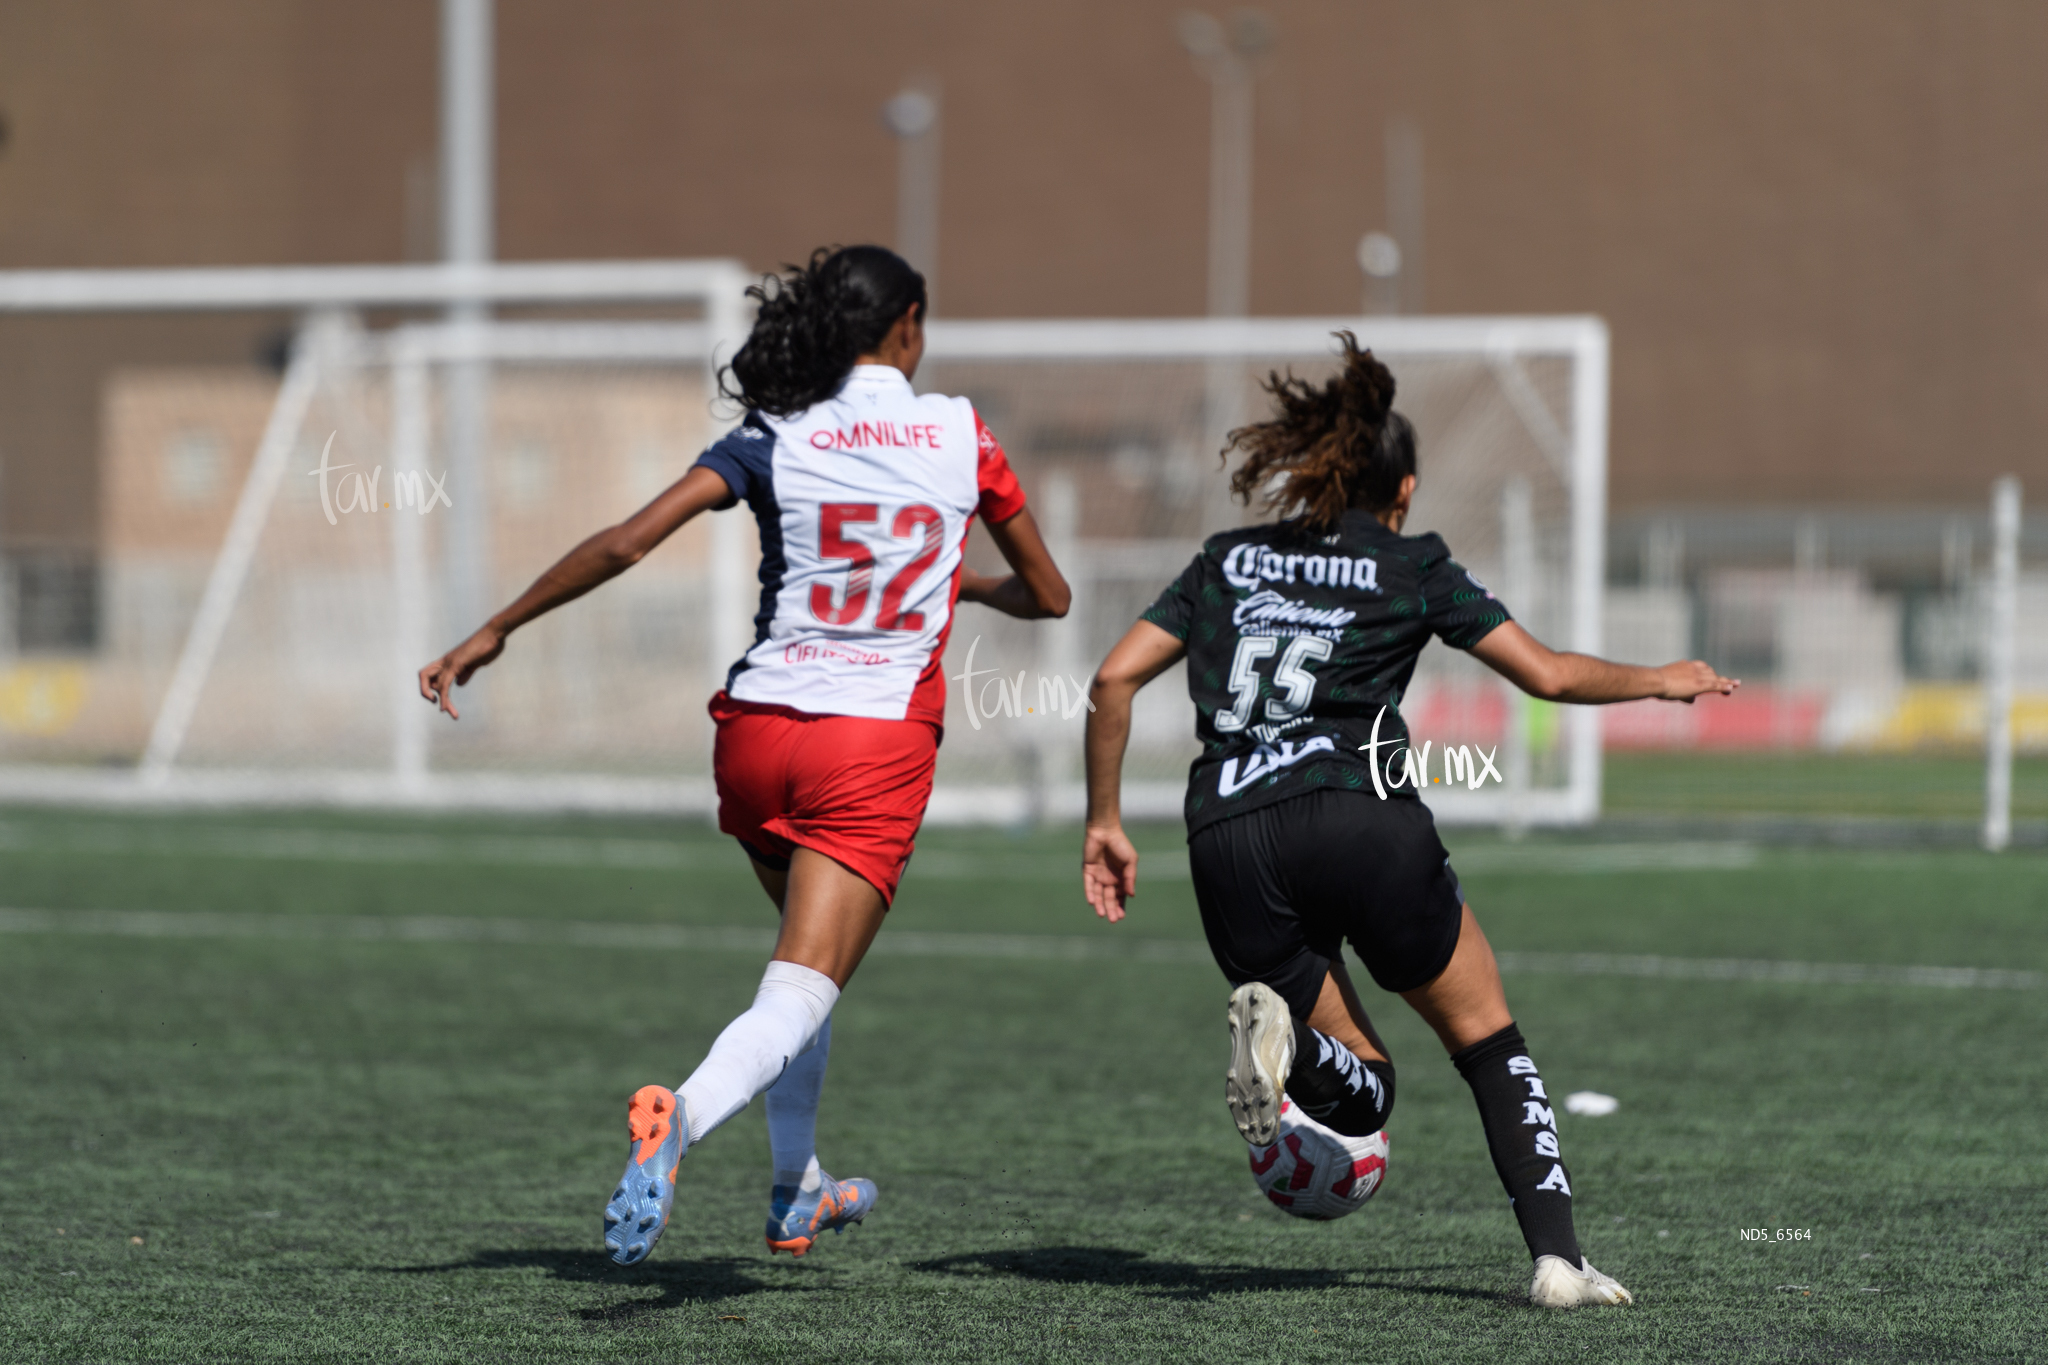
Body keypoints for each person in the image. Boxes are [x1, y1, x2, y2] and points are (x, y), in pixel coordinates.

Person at [418, 245, 1071, 1265]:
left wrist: (496, 627)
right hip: (872, 741)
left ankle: (794, 1189)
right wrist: (961, 581)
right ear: (906, 325)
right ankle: (683, 1114)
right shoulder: (959, 432)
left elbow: (629, 540)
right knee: (802, 987)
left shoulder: (774, 432)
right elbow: (1052, 594)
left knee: (798, 979)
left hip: (756, 732)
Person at [1078, 335, 1735, 1308]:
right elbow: (1545, 674)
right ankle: (1556, 1260)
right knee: (1484, 1040)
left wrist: (1103, 819)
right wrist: (1661, 681)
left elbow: (1113, 677)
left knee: (1368, 1086)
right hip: (1358, 820)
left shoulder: (1227, 559)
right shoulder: (1412, 563)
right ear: (1404, 487)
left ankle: (1291, 1050)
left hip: (1225, 836)